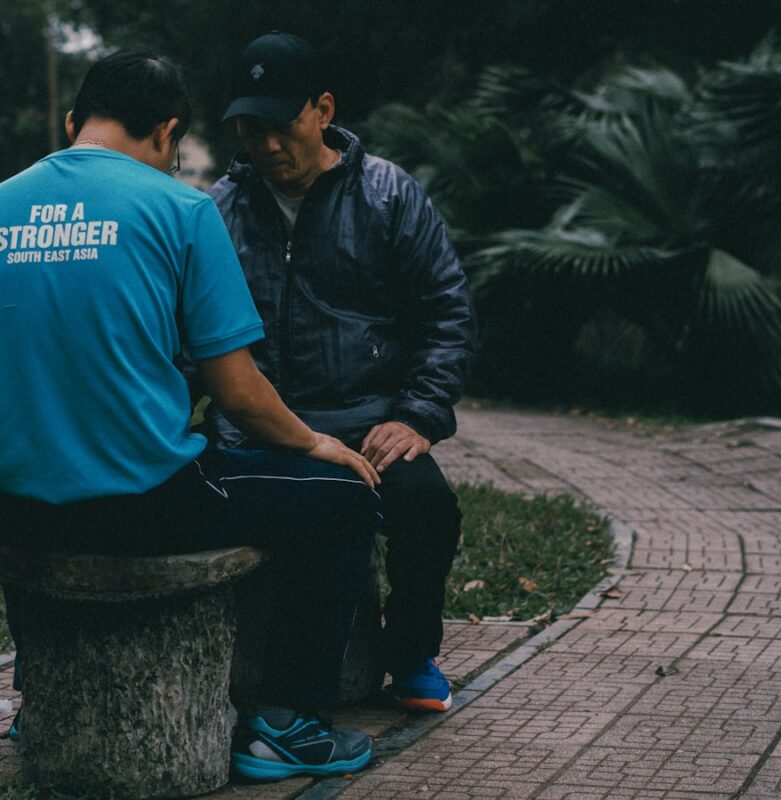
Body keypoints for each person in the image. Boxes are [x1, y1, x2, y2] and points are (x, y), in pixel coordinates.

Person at [0, 49, 383, 783]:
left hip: (15, 511)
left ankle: (36, 699)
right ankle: (287, 725)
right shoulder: (180, 210)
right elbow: (238, 392)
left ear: (74, 122)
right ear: (166, 132)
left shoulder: (3, 202)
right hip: (141, 506)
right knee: (345, 500)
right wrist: (316, 443)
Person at [204, 32, 477, 714]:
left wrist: (417, 415)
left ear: (323, 110)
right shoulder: (217, 210)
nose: (267, 145)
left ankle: (410, 651)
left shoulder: (389, 194)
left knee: (428, 509)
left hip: (365, 426)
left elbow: (446, 311)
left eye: (283, 125)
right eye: (251, 129)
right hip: (256, 430)